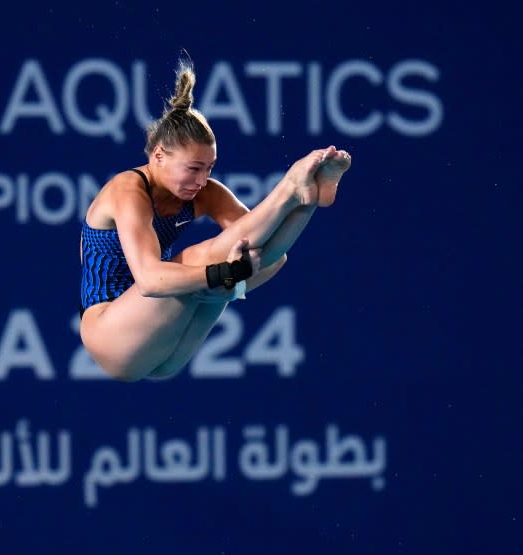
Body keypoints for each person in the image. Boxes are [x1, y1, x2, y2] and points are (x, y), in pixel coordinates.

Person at [79, 58, 351, 382]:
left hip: (164, 354)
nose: (202, 179)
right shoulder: (128, 190)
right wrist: (227, 275)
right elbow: (150, 280)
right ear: (158, 156)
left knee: (236, 262)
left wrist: (232, 284)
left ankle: (310, 199)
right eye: (193, 168)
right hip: (110, 336)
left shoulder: (203, 191)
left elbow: (272, 258)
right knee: (202, 262)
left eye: (209, 168)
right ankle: (289, 187)